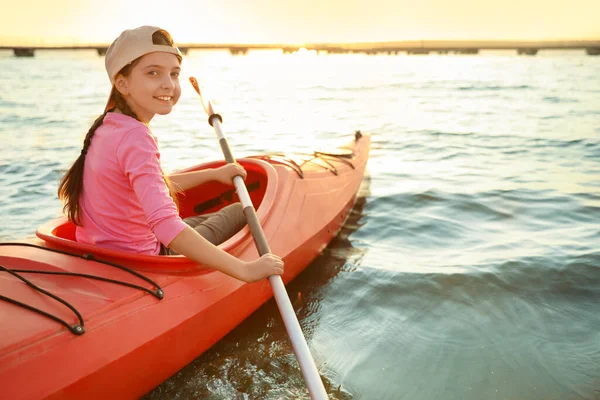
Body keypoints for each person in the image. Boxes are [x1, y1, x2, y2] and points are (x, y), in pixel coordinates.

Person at [57, 26, 283, 283]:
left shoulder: (108, 126)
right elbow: (165, 226)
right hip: (144, 258)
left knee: (200, 221)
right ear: (122, 83)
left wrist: (213, 175)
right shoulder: (136, 137)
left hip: (105, 252)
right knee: (240, 211)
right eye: (153, 73)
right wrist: (245, 270)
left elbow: (150, 185)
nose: (168, 84)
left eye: (174, 74)